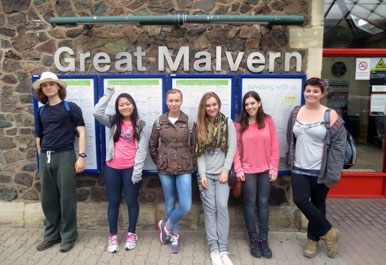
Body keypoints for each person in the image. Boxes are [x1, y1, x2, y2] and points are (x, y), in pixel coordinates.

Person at [286, 77, 346, 259]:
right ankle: (329, 232)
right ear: (304, 92)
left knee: (319, 204)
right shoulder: (296, 112)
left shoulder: (330, 115)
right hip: (299, 167)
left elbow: (338, 146)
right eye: (308, 91)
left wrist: (333, 173)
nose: (311, 94)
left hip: (321, 169)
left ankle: (312, 239)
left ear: (322, 94)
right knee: (301, 200)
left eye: (315, 91)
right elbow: (291, 138)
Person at [33, 71, 87, 253]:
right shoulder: (41, 110)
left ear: (58, 87)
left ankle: (68, 236)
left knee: (67, 198)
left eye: (51, 84)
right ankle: (51, 235)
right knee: (48, 199)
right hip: (46, 157)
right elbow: (39, 136)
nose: (48, 87)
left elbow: (82, 133)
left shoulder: (70, 108)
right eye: (44, 85)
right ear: (42, 89)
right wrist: (42, 158)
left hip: (65, 155)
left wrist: (81, 156)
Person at [93, 86, 147, 253]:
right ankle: (113, 236)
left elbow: (142, 149)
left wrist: (137, 172)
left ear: (133, 105)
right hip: (112, 169)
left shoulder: (140, 124)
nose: (125, 107)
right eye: (121, 105)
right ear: (117, 108)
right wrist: (108, 94)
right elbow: (96, 112)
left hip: (130, 170)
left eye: (128, 103)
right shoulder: (112, 122)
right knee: (113, 202)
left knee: (131, 202)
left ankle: (131, 233)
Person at [149, 88, 196, 254]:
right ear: (166, 102)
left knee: (186, 205)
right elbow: (152, 145)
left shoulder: (189, 122)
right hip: (165, 167)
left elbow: (194, 146)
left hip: (184, 166)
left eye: (177, 100)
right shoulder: (160, 121)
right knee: (169, 201)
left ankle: (165, 226)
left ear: (181, 101)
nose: (174, 104)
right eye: (171, 100)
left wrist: (190, 161)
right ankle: (175, 234)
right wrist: (160, 161)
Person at [233, 91, 279, 259]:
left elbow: (274, 146)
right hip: (248, 171)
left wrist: (274, 168)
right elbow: (235, 150)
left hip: (266, 170)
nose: (250, 107)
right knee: (249, 204)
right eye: (247, 104)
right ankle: (253, 239)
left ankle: (264, 239)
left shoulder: (268, 121)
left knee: (263, 204)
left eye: (252, 103)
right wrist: (239, 169)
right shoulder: (239, 125)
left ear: (259, 103)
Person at [195, 92, 236, 265]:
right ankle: (214, 249)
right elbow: (200, 153)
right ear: (203, 107)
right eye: (208, 105)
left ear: (218, 104)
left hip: (222, 175)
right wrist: (202, 174)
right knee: (210, 210)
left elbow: (232, 148)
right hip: (206, 176)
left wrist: (226, 170)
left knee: (222, 207)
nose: (211, 108)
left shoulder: (228, 123)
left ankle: (223, 248)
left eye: (214, 104)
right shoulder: (200, 124)